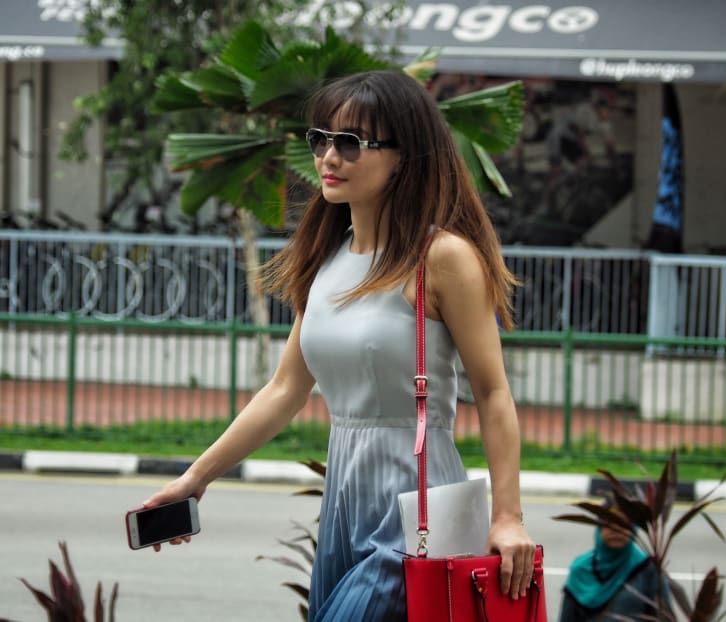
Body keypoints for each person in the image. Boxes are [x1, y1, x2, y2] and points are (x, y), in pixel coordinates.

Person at [141, 69, 536, 621]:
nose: (328, 156)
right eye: (321, 139)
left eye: (350, 143)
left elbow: (494, 394)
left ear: (404, 155)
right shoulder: (327, 258)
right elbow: (283, 390)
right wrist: (194, 480)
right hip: (344, 501)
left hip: (420, 507)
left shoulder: (443, 258)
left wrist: (508, 515)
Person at [558, 499, 667, 621]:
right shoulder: (580, 569)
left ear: (633, 528)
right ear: (598, 527)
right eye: (609, 522)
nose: (616, 529)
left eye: (623, 523)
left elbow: (665, 617)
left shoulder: (648, 568)